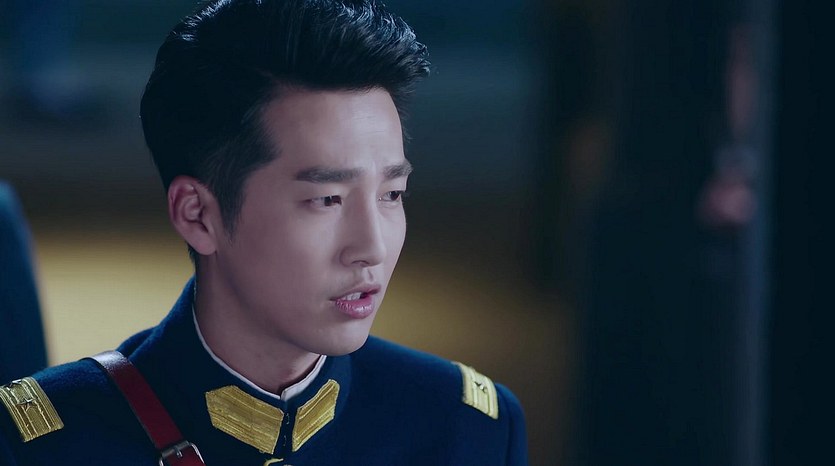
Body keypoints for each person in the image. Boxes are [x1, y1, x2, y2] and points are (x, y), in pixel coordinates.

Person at [0, 1, 528, 464]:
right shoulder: (43, 447)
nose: (372, 247)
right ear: (197, 215)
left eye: (392, 194)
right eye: (327, 200)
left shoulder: (466, 430)